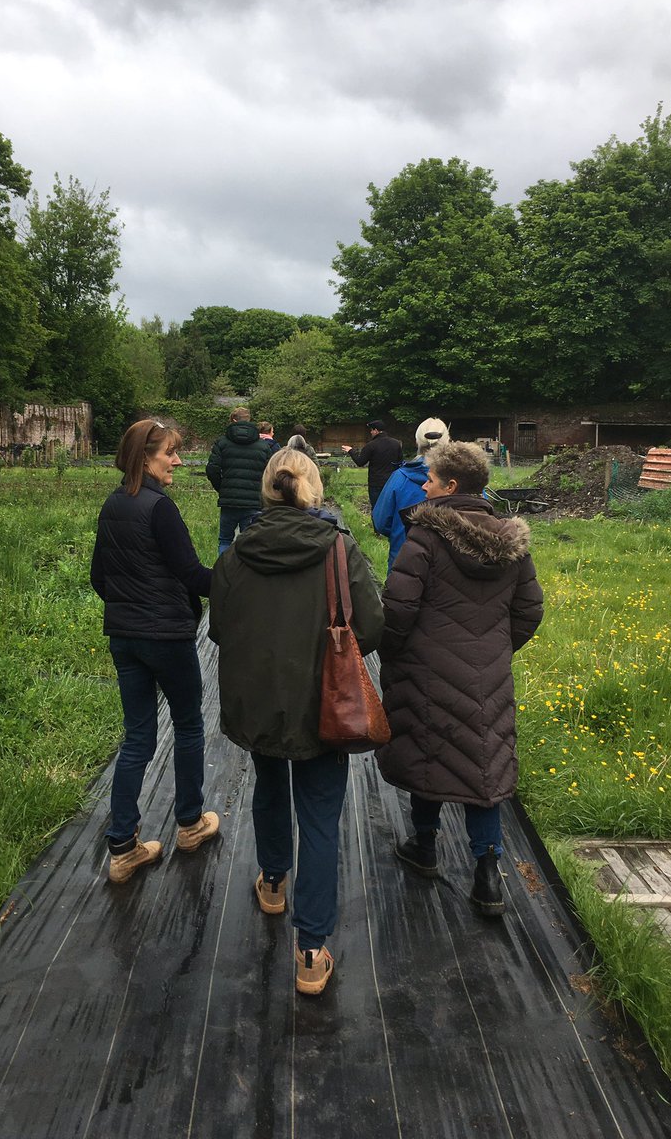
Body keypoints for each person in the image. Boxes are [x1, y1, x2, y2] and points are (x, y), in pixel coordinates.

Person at [209, 449, 383, 994]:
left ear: (265, 489)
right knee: (321, 815)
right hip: (323, 704)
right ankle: (310, 949)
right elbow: (370, 627)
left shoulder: (237, 554)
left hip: (260, 701)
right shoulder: (339, 549)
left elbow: (218, 629)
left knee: (268, 786)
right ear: (314, 488)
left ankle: (272, 882)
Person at [375, 442, 543, 916]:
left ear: (450, 486)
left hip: (426, 670)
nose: (424, 487)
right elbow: (530, 609)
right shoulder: (512, 544)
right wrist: (495, 649)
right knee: (483, 764)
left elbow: (398, 609)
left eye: (430, 480)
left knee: (427, 752)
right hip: (488, 675)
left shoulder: (425, 538)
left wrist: (397, 651)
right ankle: (487, 873)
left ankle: (424, 846)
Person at [91, 419, 219, 884]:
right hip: (167, 638)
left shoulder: (113, 504)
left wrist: (130, 609)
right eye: (170, 453)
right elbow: (193, 575)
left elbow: (99, 578)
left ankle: (123, 848)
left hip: (124, 639)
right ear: (144, 458)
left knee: (138, 737)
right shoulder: (160, 508)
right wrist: (240, 578)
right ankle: (190, 824)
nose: (178, 461)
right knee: (188, 725)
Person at [372, 418, 449, 574]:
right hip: (450, 572)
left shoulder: (400, 478)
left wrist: (401, 534)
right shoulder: (465, 479)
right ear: (448, 441)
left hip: (405, 566)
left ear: (416, 442)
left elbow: (381, 522)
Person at [206, 407, 272, 554]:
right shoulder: (263, 446)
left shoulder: (222, 443)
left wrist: (222, 488)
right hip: (253, 501)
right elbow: (270, 473)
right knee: (250, 543)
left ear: (233, 420)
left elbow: (212, 469)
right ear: (249, 420)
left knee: (225, 540)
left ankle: (223, 568)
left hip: (229, 501)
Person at [341, 420, 403, 509]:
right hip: (392, 481)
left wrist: (351, 451)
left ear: (376, 430)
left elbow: (360, 462)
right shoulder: (396, 444)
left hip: (376, 483)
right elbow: (400, 462)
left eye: (371, 430)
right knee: (391, 508)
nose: (370, 432)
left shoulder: (371, 445)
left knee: (377, 508)